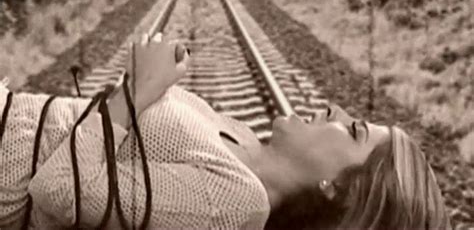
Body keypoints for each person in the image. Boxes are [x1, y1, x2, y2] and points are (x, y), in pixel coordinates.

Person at [1, 33, 450, 229]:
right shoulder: (245, 140)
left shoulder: (239, 206)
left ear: (338, 190)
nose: (334, 108)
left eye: (353, 130)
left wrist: (139, 89)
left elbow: (57, 192)